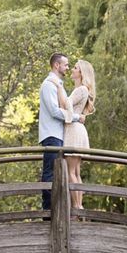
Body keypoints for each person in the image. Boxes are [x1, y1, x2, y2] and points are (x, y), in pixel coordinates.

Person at [38, 53, 85, 212]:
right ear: (57, 65)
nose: (67, 67)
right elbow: (54, 111)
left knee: (58, 174)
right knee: (50, 174)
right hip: (52, 135)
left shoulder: (57, 84)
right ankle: (48, 214)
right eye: (65, 64)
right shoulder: (49, 84)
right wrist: (77, 117)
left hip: (59, 135)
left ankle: (57, 212)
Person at [50, 59, 96, 211]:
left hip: (74, 130)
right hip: (77, 129)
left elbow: (65, 106)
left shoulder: (80, 90)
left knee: (71, 171)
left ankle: (77, 207)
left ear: (81, 73)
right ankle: (78, 206)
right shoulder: (82, 90)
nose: (72, 70)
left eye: (75, 68)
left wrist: (58, 87)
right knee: (75, 172)